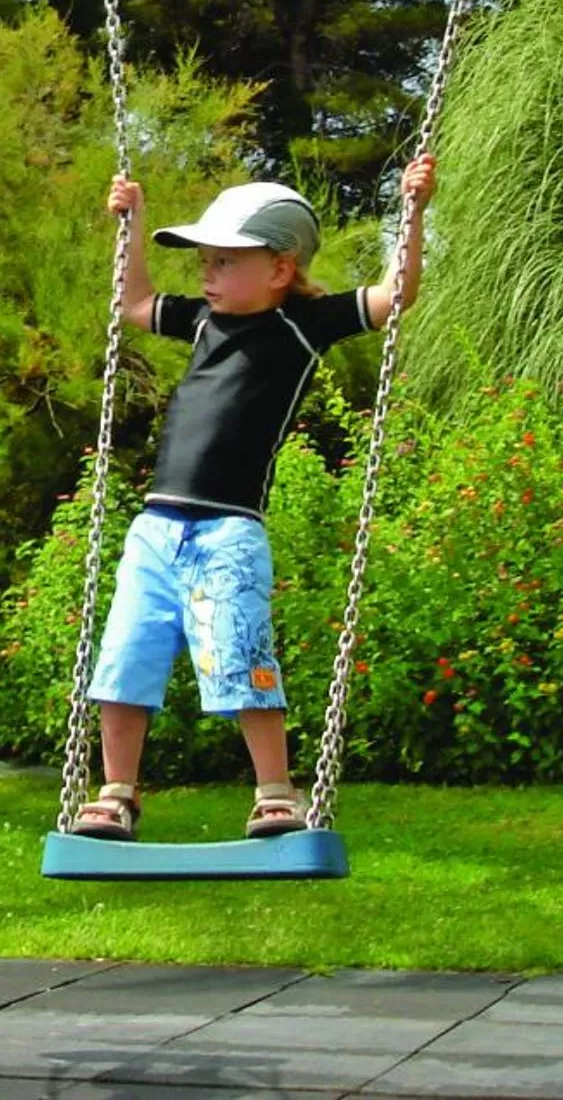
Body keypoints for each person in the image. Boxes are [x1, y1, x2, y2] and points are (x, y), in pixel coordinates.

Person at [69, 157, 434, 842]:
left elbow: (395, 295)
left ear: (280, 268)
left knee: (242, 654)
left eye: (225, 262)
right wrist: (133, 219)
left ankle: (274, 792)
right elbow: (133, 303)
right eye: (205, 261)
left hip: (229, 529)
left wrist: (411, 213)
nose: (207, 274)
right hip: (156, 527)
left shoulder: (302, 326)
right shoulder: (202, 323)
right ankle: (117, 791)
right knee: (124, 656)